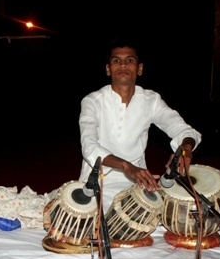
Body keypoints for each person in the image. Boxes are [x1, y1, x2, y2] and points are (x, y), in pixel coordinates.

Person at [79, 39, 201, 207]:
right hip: (98, 181)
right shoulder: (93, 101)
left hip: (137, 183)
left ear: (140, 68)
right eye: (116, 60)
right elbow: (89, 146)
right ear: (108, 69)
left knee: (182, 211)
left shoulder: (151, 100)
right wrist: (126, 166)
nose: (123, 65)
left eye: (129, 60)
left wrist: (185, 150)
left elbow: (183, 130)